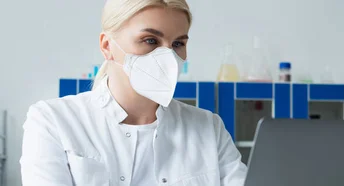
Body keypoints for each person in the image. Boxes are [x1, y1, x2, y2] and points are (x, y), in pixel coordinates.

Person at [20, 0, 248, 185]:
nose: (167, 57)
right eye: (150, 40)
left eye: (178, 43)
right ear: (107, 46)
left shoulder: (209, 128)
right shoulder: (52, 120)